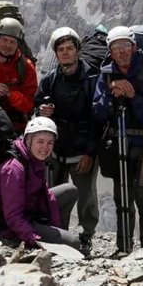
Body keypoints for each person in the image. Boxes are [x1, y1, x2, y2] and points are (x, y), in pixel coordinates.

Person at [92, 25, 143, 252]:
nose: (121, 52)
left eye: (125, 46)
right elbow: (98, 112)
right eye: (116, 48)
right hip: (119, 143)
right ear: (110, 51)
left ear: (134, 47)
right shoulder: (107, 75)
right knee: (122, 199)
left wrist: (133, 96)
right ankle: (124, 248)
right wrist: (111, 90)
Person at [36, 27, 102, 255]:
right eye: (61, 50)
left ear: (77, 51)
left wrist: (90, 154)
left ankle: (86, 237)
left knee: (86, 197)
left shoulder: (92, 79)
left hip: (82, 150)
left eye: (69, 49)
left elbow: (98, 120)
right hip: (56, 150)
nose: (65, 53)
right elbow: (37, 110)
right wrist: (41, 111)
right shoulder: (50, 80)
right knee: (52, 194)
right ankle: (56, 233)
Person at [0, 117, 81, 248]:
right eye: (40, 141)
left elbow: (46, 197)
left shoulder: (33, 159)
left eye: (50, 143)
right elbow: (12, 216)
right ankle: (55, 241)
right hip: (8, 228)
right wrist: (33, 238)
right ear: (28, 140)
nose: (45, 147)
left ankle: (59, 236)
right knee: (74, 243)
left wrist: (55, 229)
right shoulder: (14, 169)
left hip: (28, 213)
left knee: (69, 191)